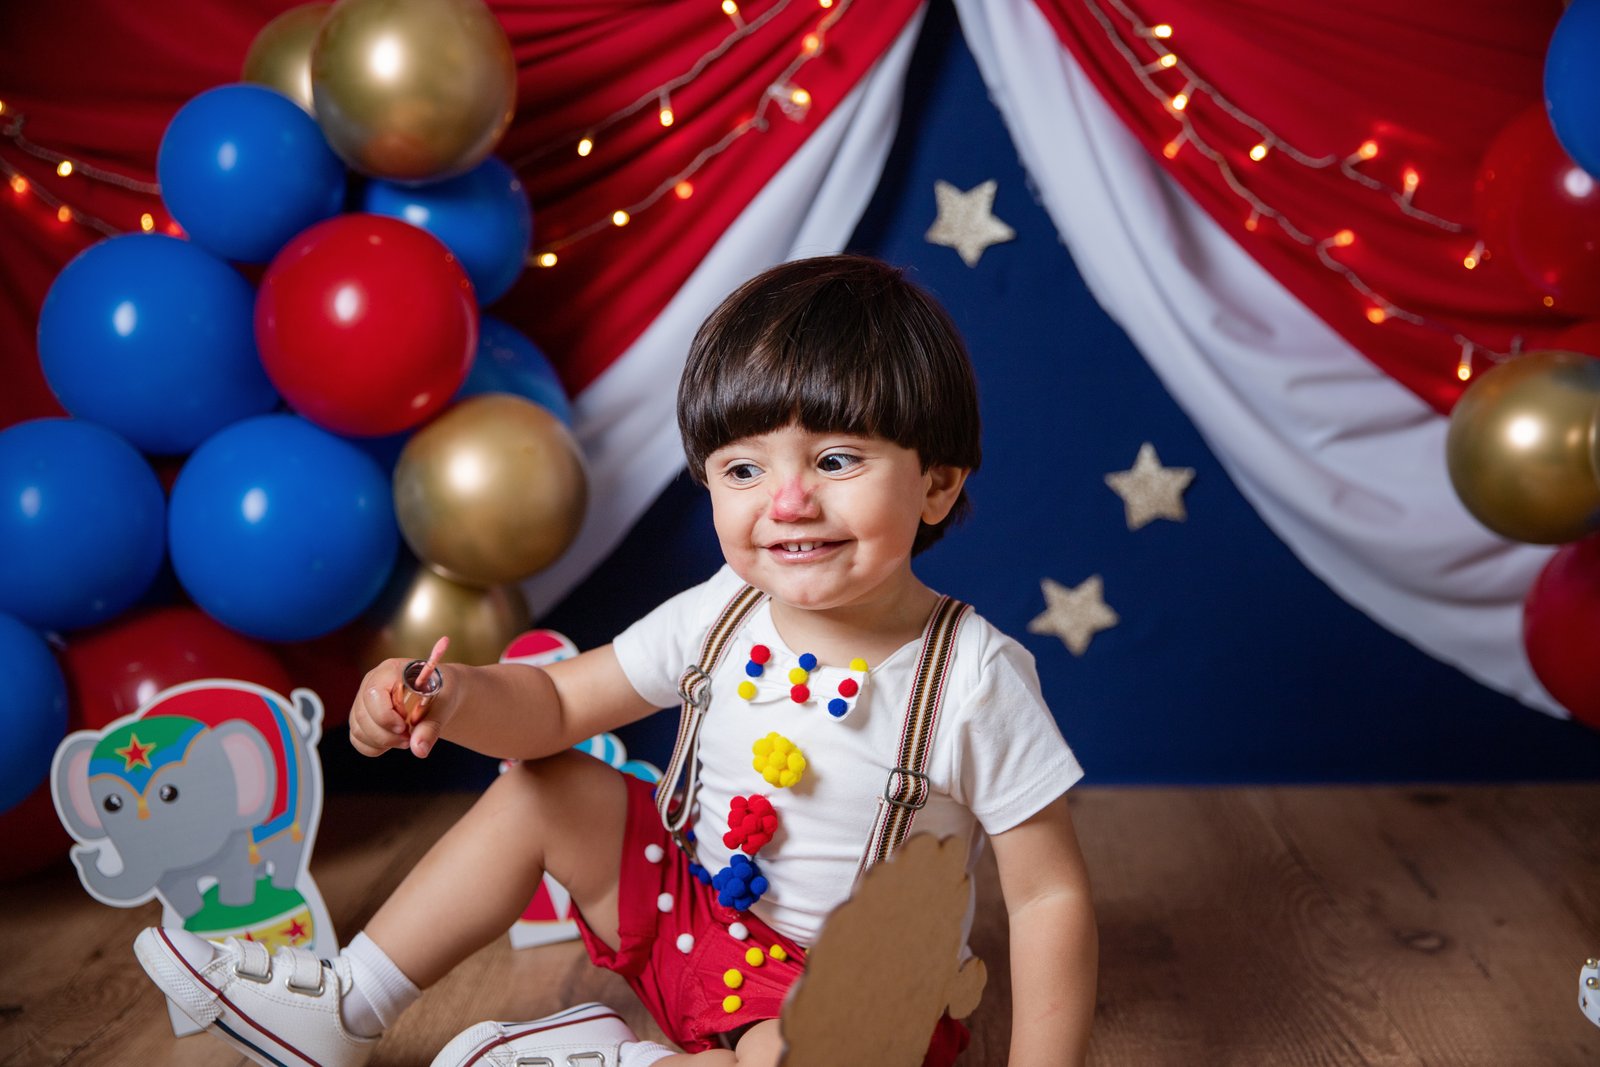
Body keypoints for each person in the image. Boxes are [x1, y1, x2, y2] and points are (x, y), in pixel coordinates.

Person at [134, 254, 1098, 1066]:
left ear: (937, 482)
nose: (788, 502)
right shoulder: (723, 611)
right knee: (543, 788)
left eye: (836, 460)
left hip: (843, 996)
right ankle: (347, 1004)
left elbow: (1048, 894)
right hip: (692, 919)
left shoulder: (972, 677)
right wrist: (453, 696)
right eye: (744, 468)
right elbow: (555, 707)